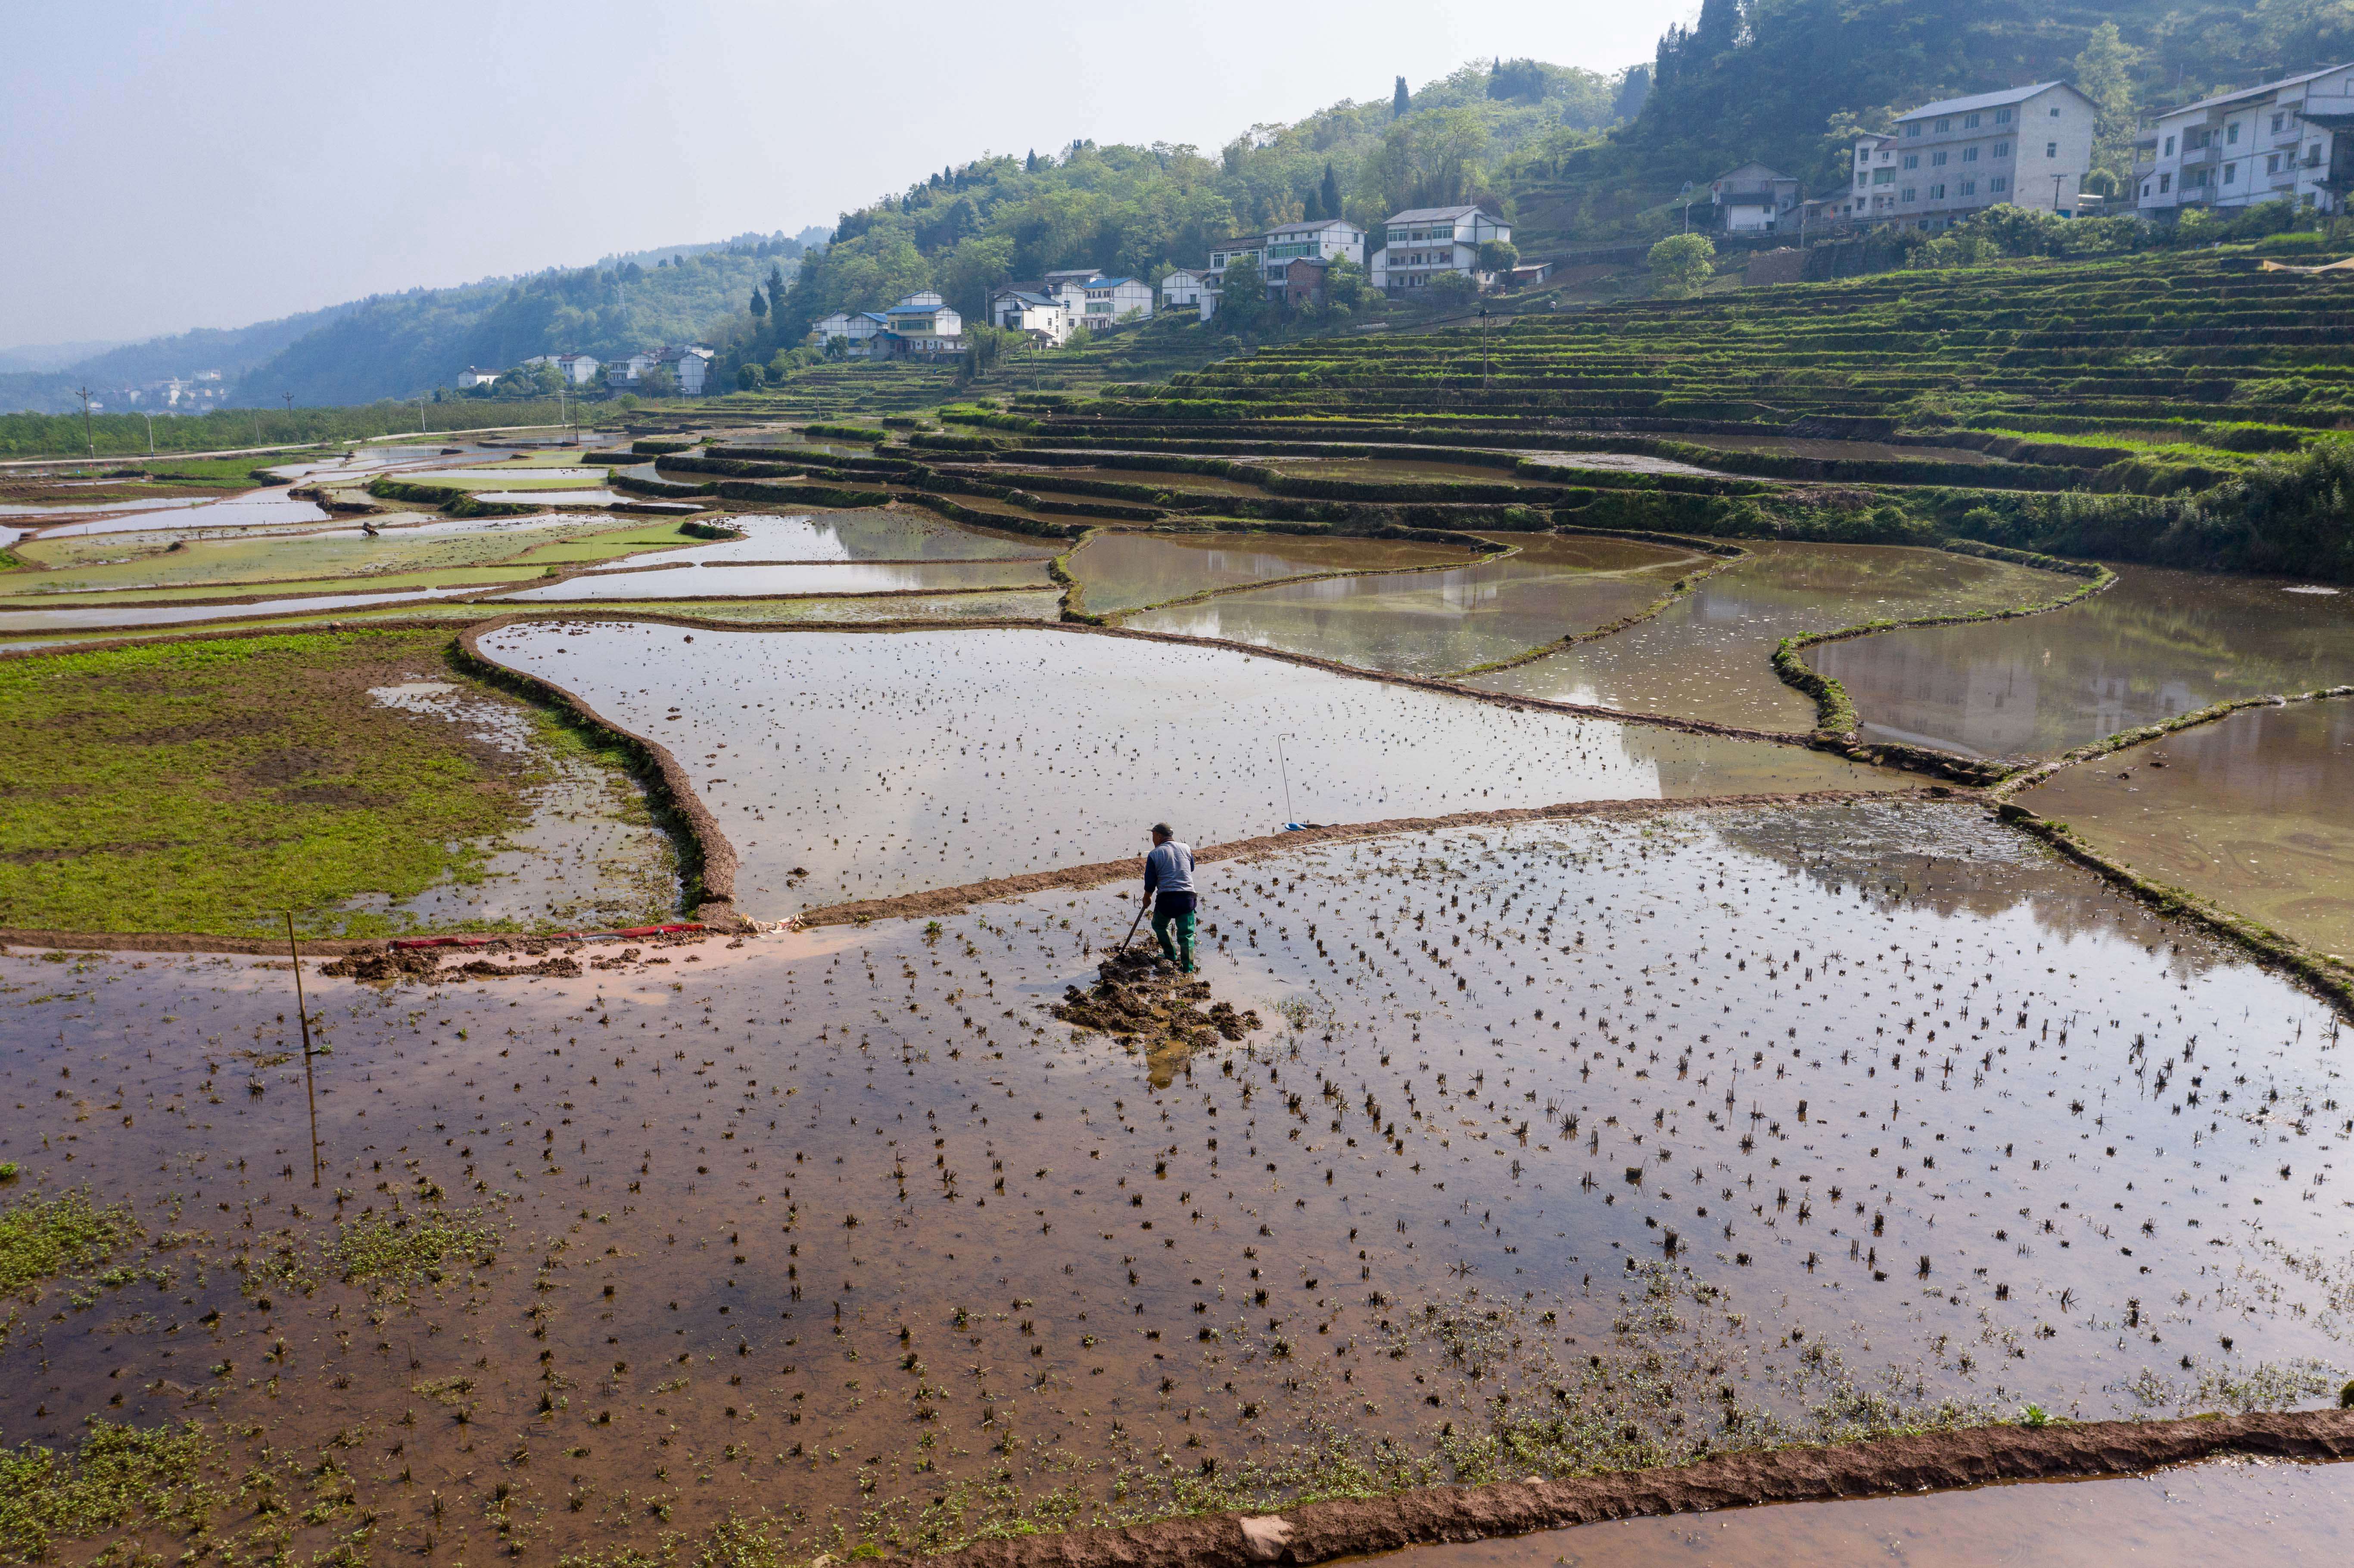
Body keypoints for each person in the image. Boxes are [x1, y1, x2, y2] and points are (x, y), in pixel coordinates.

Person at [1143, 823, 1197, 974]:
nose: (1153, 840)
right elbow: (1191, 867)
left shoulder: (1154, 854)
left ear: (1159, 836)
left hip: (1167, 899)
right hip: (1187, 898)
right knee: (1186, 935)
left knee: (1159, 925)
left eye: (1153, 836)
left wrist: (1147, 897)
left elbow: (1150, 883)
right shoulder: (1186, 848)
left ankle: (1170, 954)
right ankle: (1188, 969)